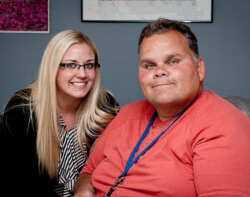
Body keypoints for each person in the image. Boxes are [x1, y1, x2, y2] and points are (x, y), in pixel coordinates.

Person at [73, 18, 250, 197]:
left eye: (172, 61)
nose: (159, 71)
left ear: (199, 68)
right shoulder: (127, 113)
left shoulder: (222, 125)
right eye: (149, 65)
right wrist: (83, 190)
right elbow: (88, 171)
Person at [0, 29, 119, 196]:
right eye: (71, 65)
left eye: (89, 65)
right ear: (52, 68)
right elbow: (18, 183)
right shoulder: (21, 110)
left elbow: (115, 167)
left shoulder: (106, 105)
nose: (82, 74)